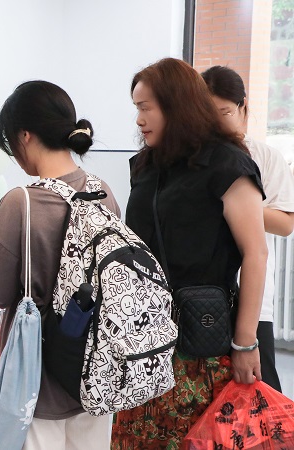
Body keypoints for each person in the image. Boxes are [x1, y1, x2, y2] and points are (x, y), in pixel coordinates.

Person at [111, 58, 267, 449]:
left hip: (202, 346)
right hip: (144, 341)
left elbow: (256, 253)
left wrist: (245, 342)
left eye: (145, 108)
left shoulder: (227, 163)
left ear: (176, 105)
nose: (138, 120)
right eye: (136, 109)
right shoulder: (146, 165)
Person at [0, 80, 121, 450]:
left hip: (40, 380)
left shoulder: (22, 202)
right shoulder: (102, 190)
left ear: (25, 135)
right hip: (95, 372)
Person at [202, 65, 294, 392]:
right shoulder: (193, 159)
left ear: (244, 107)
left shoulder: (265, 156)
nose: (216, 124)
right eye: (207, 114)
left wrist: (237, 204)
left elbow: (285, 223)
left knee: (261, 393)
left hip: (254, 297)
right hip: (204, 295)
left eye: (225, 112)